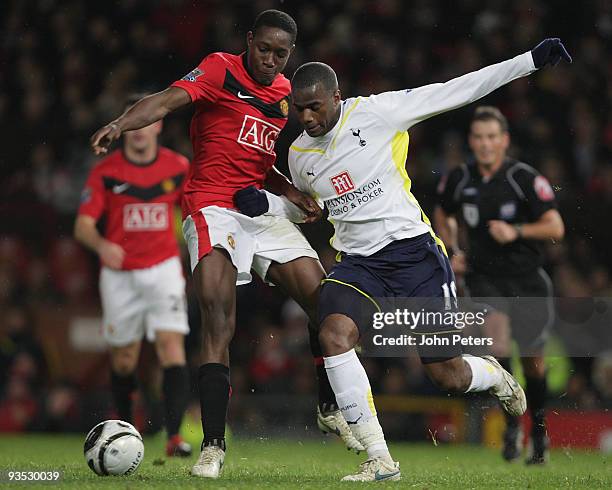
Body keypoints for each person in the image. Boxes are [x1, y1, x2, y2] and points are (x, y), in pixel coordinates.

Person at [234, 38, 571, 481]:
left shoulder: (379, 113)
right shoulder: (299, 156)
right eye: (299, 109)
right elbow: (314, 209)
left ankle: (495, 377)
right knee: (333, 332)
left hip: (415, 255)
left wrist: (529, 62)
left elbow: (461, 88)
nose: (307, 118)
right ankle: (380, 457)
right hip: (359, 263)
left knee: (446, 375)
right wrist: (272, 206)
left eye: (315, 107)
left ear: (337, 97)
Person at [89, 10, 362, 479]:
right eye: (264, 50)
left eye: (281, 55)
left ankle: (327, 405)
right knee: (219, 317)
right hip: (211, 208)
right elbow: (166, 101)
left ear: (290, 55)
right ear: (249, 40)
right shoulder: (219, 68)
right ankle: (212, 446)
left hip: (258, 211)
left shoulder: (283, 95)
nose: (271, 61)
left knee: (328, 303)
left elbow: (259, 163)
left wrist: (290, 192)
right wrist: (121, 124)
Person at [434, 106, 564, 464]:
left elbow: (555, 226)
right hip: (484, 277)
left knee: (534, 362)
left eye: (492, 137)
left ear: (504, 140)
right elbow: (442, 211)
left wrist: (517, 231)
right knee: (498, 345)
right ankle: (511, 425)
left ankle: (538, 430)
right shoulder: (459, 178)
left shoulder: (523, 178)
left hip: (528, 280)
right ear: (471, 142)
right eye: (478, 137)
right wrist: (453, 247)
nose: (485, 144)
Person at [75, 94, 192, 457]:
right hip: (119, 275)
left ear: (158, 125)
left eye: (145, 122)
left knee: (171, 348)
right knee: (124, 358)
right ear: (124, 126)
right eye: (132, 122)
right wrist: (102, 246)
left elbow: (192, 213)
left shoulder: (178, 167)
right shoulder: (105, 172)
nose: (139, 130)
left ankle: (175, 438)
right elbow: (82, 226)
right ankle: (125, 434)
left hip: (163, 270)